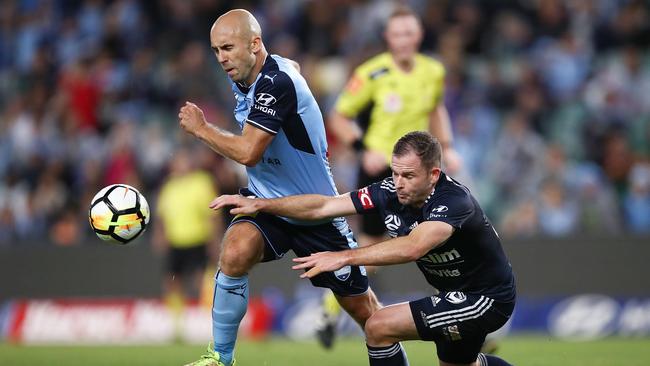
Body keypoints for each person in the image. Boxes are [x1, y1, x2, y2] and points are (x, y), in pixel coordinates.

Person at [178, 9, 380, 366]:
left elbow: (249, 152)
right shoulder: (248, 73)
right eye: (215, 50)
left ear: (255, 44)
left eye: (227, 47)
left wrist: (201, 128)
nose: (221, 57)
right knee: (235, 252)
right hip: (265, 204)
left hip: (314, 210)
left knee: (371, 319)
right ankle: (220, 358)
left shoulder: (277, 82)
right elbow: (293, 67)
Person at [212, 131, 515, 366]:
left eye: (408, 176)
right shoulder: (387, 192)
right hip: (453, 295)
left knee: (378, 326)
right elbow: (324, 206)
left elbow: (413, 247)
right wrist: (262, 204)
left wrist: (342, 256)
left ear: (433, 175)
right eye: (395, 173)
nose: (398, 183)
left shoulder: (453, 202)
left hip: (485, 299)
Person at [321, 5, 463, 348]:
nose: (402, 40)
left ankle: (460, 313)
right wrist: (362, 148)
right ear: (387, 37)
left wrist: (448, 146)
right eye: (396, 34)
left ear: (419, 36)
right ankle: (330, 309)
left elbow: (436, 109)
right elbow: (338, 117)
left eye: (408, 33)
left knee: (441, 240)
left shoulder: (433, 71)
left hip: (424, 172)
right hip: (381, 168)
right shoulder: (372, 73)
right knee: (373, 248)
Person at [152, 147, 222, 339]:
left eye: (184, 161)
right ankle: (176, 325)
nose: (180, 165)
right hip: (176, 241)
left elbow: (213, 215)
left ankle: (210, 321)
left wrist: (214, 241)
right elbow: (162, 215)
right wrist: (160, 234)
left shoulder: (202, 182)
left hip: (198, 239)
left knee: (203, 280)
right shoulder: (170, 186)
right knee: (172, 283)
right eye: (177, 162)